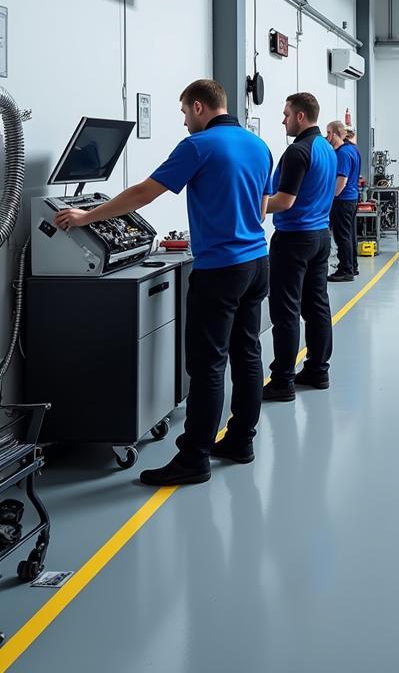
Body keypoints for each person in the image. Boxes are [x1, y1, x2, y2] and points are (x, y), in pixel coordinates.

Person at [54, 79, 273, 486]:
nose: (185, 121)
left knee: (207, 365)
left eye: (184, 112)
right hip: (257, 261)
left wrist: (86, 217)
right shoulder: (258, 146)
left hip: (221, 269)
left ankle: (194, 458)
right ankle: (240, 440)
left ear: (198, 107)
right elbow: (260, 210)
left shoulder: (199, 146)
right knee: (247, 355)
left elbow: (143, 194)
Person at [263, 93, 338, 401]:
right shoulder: (327, 148)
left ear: (301, 117)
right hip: (320, 236)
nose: (283, 120)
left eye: (286, 114)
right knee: (317, 305)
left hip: (294, 239)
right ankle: (318, 371)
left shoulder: (298, 151)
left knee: (286, 311)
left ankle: (282, 380)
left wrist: (249, 205)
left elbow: (285, 201)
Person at [326, 121, 360, 283]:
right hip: (352, 198)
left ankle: (345, 269)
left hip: (343, 199)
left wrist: (330, 197)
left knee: (342, 235)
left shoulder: (343, 153)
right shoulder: (353, 149)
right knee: (350, 234)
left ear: (334, 134)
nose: (327, 137)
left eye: (328, 133)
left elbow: (342, 180)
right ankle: (352, 265)